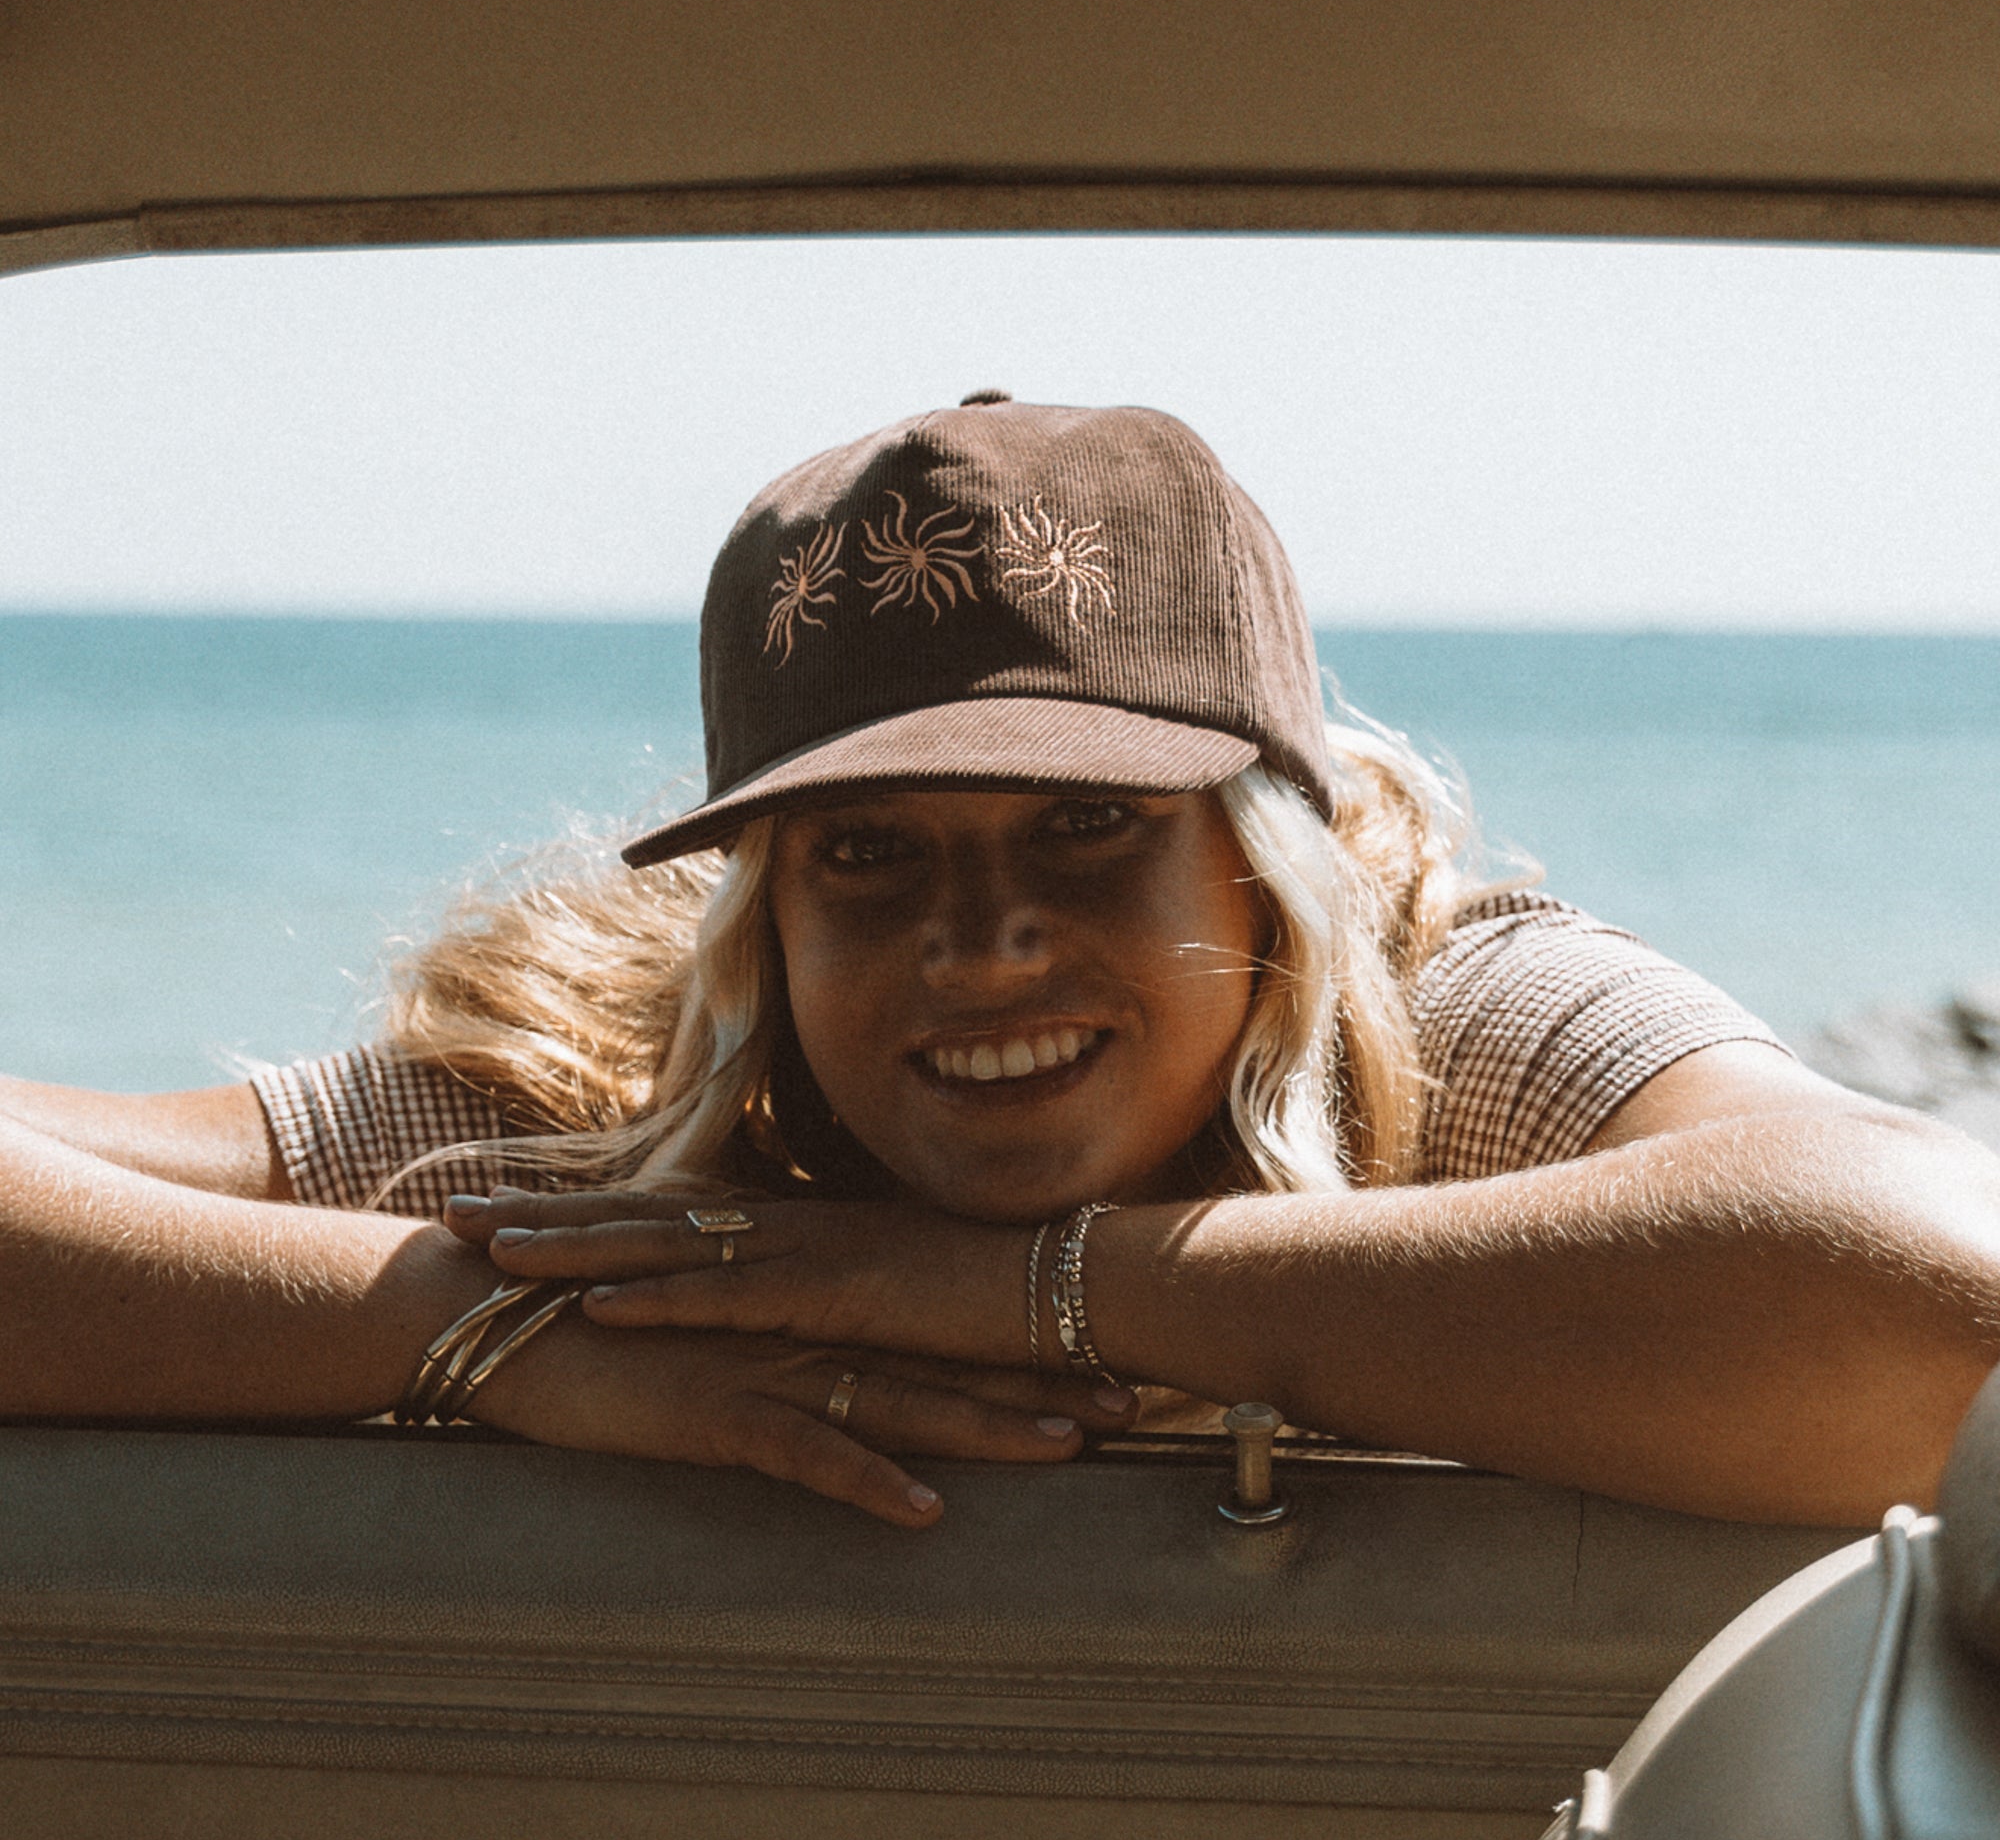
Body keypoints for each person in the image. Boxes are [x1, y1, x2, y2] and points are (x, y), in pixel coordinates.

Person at [4, 396, 1998, 1530]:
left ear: (1269, 860)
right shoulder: (635, 1101)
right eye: (867, 853)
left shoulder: (1447, 1026)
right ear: (762, 913)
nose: (980, 942)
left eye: (1085, 822)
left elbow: (1941, 1315)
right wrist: (481, 1331)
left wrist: (1003, 1290)